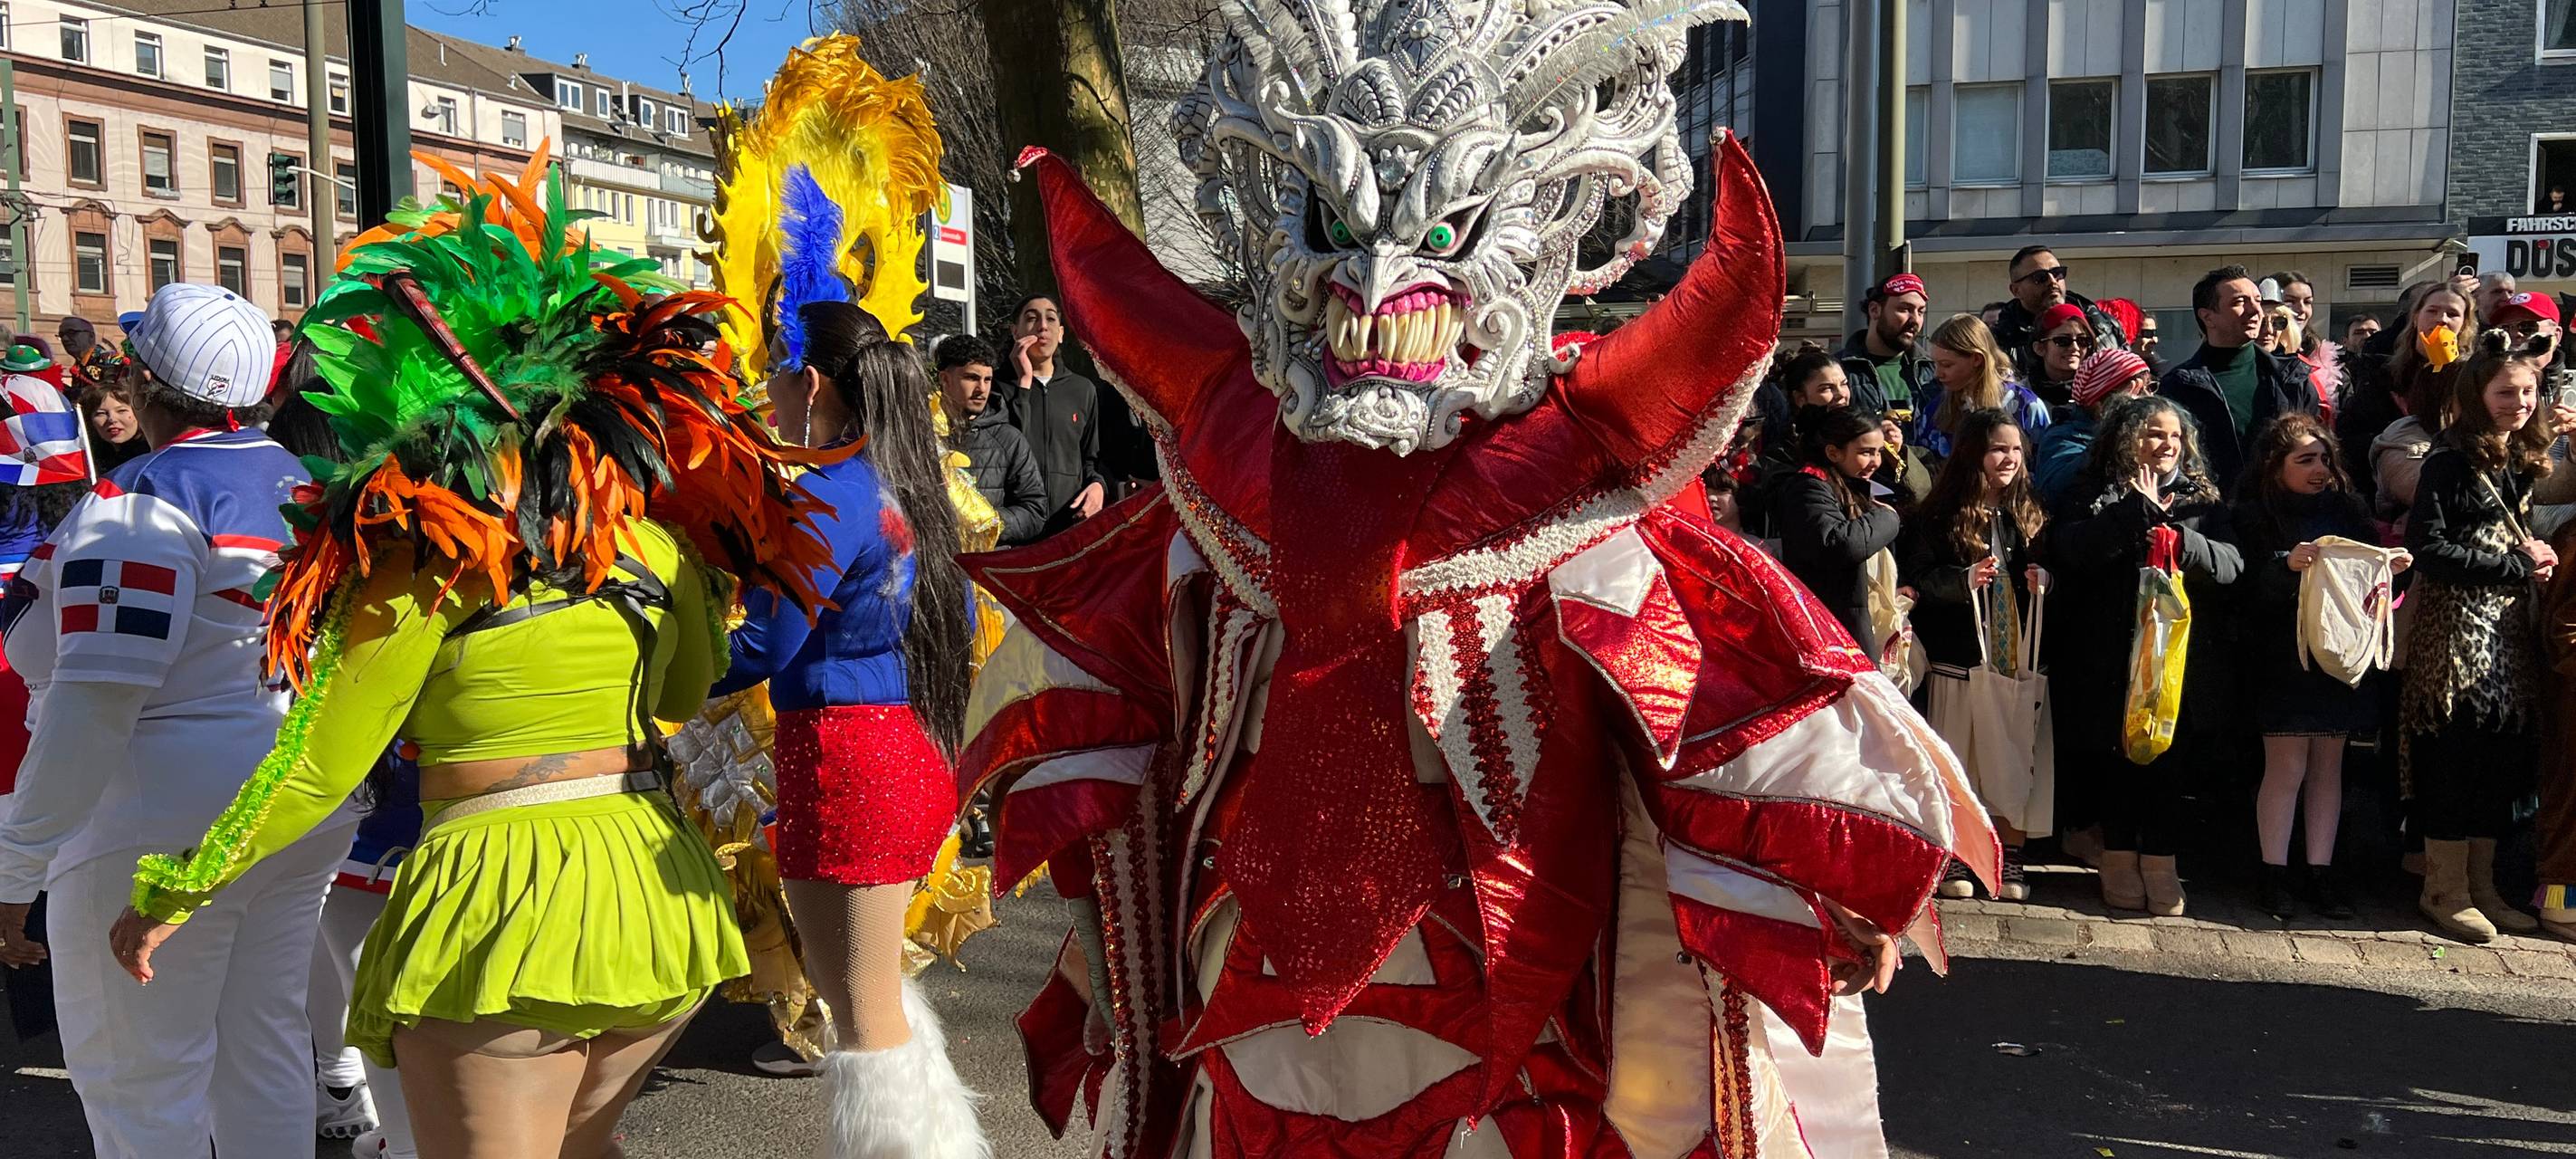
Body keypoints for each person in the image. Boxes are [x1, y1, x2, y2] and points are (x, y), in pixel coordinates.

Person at [975, 18, 1999, 1144]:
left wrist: (1812, 873)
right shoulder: (1226, 483)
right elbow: (1131, 719)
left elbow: (1696, 689)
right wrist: (1104, 913)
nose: (1373, 273)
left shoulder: (1579, 497)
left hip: (1514, 1014)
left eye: (1438, 230)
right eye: (1335, 223)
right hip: (1249, 990)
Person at [100, 168, 835, 1157]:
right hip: (655, 903)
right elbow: (679, 692)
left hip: (498, 906)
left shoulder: (418, 562)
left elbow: (316, 764)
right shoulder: (652, 549)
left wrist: (176, 888)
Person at [0, 284, 341, 1159]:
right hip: (288, 798)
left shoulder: (143, 502)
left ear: (147, 381)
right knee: (262, 1053)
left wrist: (14, 866)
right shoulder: (307, 481)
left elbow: (96, 698)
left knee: (141, 1084)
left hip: (152, 811)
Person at [709, 301, 983, 1154]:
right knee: (873, 1006)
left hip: (849, 760)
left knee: (863, 1020)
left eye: (773, 375)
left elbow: (764, 646)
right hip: (897, 751)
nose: (768, 395)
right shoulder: (909, 484)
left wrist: (653, 665)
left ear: (812, 381)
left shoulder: (831, 491)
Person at [2045, 395, 2242, 915]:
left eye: (2175, 436)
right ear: (2127, 437)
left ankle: (2161, 861)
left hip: (2175, 659)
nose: (2168, 444)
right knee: (2118, 757)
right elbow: (2072, 552)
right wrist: (2135, 512)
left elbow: (2231, 565)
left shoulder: (2200, 498)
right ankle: (2118, 856)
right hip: (2108, 654)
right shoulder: (2092, 491)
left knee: (2170, 762)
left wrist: (2182, 541)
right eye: (2156, 434)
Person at [2401, 329, 2557, 944]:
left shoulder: (2520, 457)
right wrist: (2513, 564)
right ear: (2476, 393)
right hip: (2455, 636)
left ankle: (2484, 887)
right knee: (2454, 757)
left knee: (2500, 758)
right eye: (2504, 392)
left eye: (2527, 391)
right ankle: (2445, 890)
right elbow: (2427, 546)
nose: (2517, 402)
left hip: (2508, 632)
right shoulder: (2449, 459)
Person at [2235, 414, 2403, 920]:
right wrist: (2285, 566)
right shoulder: (2253, 515)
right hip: (2284, 660)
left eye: (2325, 458)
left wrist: (2386, 566)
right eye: (2304, 459)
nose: (2320, 469)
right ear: (2274, 464)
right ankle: (2273, 873)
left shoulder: (2348, 510)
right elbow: (2245, 592)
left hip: (2338, 657)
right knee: (2286, 768)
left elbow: (2363, 578)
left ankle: (2321, 872)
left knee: (2330, 767)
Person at [1905, 408, 2048, 901]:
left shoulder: (2032, 510)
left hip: (2018, 664)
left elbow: (2059, 566)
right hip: (1960, 662)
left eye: (2014, 449)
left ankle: (2011, 856)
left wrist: (2044, 582)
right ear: (1972, 455)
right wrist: (1961, 582)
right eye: (1996, 449)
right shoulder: (1940, 516)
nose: (2007, 458)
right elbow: (1920, 581)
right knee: (1962, 762)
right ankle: (1959, 856)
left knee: (2014, 760)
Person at [2161, 265, 2321, 490]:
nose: (2256, 311)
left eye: (2257, 300)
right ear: (2208, 317)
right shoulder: (2178, 387)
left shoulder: (2293, 380)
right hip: (2210, 517)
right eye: (2239, 302)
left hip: (2283, 515)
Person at [1775, 405, 1902, 660]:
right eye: (1865, 452)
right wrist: (1888, 518)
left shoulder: (1854, 487)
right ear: (1833, 452)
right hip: (1829, 633)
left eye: (1879, 452)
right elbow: (1840, 544)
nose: (1875, 462)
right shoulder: (1808, 489)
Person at [2356, 283, 2475, 533]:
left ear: (2465, 324)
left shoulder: (2477, 376)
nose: (2441, 319)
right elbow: (2356, 432)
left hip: (2458, 498)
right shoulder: (2381, 372)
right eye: (2432, 311)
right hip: (2391, 492)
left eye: (2452, 314)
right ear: (2416, 316)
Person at [1004, 294, 1106, 538]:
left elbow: (1090, 459)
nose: (1042, 326)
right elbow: (1008, 448)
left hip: (1067, 530)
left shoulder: (1083, 390)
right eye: (1031, 318)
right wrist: (1024, 385)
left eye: (1050, 319)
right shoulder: (995, 388)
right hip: (1015, 531)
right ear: (1015, 331)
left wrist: (1098, 486)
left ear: (1061, 333)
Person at [934, 333, 1050, 546]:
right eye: (971, 378)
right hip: (934, 568)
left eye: (987, 379)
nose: (982, 389)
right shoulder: (922, 435)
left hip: (986, 570)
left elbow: (1035, 510)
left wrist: (988, 522)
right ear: (945, 379)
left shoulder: (1009, 439)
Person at [1915, 312, 2049, 457]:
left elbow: (2045, 467)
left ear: (1977, 359)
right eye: (1935, 364)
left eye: (1946, 365)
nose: (1937, 374)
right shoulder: (1934, 409)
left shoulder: (2025, 406)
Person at [1992, 244, 2127, 388]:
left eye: (2058, 273)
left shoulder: (2104, 325)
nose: (2052, 281)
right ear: (2016, 290)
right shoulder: (1999, 341)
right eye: (2040, 277)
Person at [2034, 349, 2154, 508]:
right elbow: (2057, 493)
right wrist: (2116, 426)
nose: (2149, 399)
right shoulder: (2063, 437)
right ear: (2099, 403)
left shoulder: (2148, 436)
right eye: (2139, 393)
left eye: (2151, 387)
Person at [1838, 272, 1932, 414]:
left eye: (1921, 312)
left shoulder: (1933, 371)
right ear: (1874, 310)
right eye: (1905, 309)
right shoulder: (1839, 372)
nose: (1915, 320)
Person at [2025, 302, 2097, 414]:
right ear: (2040, 348)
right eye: (2063, 341)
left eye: (2083, 341)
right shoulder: (2019, 396)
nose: (2075, 347)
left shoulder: (2098, 393)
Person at [77, 381, 147, 474]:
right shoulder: (89, 460)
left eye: (121, 411)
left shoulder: (153, 458)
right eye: (101, 413)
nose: (112, 419)